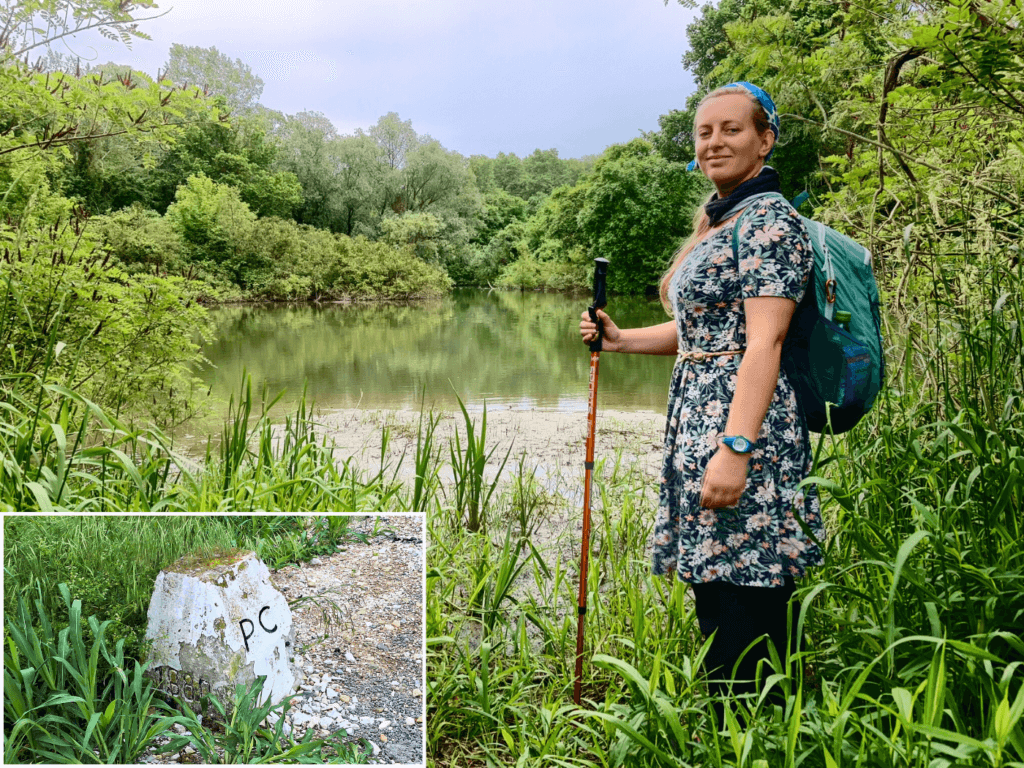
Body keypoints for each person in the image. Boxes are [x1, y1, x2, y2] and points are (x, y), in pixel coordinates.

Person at [579, 82, 825, 724]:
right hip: (701, 426)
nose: (714, 141)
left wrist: (735, 448)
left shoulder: (769, 222)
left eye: (731, 129)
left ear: (765, 139)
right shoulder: (721, 220)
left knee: (751, 588)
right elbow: (704, 334)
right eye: (704, 132)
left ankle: (762, 732)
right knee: (716, 587)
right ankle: (733, 729)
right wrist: (622, 338)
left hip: (746, 431)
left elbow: (763, 344)